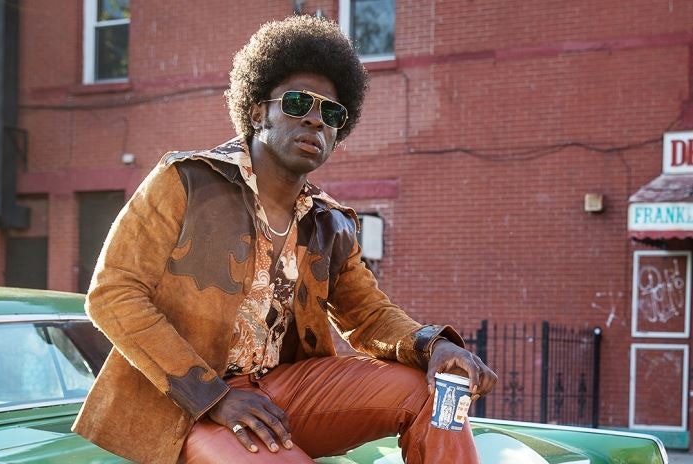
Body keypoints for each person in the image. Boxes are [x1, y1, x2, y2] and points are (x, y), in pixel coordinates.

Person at [73, 15, 497, 464]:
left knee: (439, 392)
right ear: (259, 112)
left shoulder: (330, 223)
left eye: (331, 114)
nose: (315, 120)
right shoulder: (185, 181)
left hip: (283, 392)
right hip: (186, 405)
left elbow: (369, 317)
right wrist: (214, 397)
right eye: (298, 103)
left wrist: (435, 345)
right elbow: (113, 295)